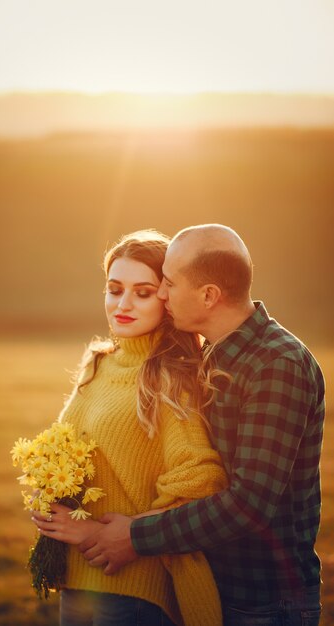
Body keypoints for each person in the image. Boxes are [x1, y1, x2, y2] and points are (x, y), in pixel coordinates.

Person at [78, 224, 325, 626]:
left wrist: (136, 537)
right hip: (209, 586)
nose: (161, 294)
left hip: (263, 601)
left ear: (209, 295)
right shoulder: (213, 351)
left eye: (169, 284)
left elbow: (249, 505)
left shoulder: (276, 365)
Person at [32, 229, 229, 626]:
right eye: (114, 289)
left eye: (142, 292)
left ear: (167, 298)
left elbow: (199, 481)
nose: (122, 304)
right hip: (76, 578)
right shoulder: (99, 363)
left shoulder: (170, 378)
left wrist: (98, 534)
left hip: (132, 589)